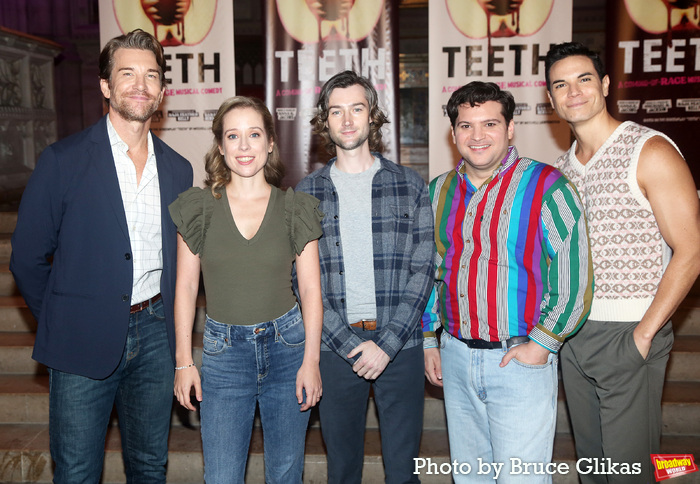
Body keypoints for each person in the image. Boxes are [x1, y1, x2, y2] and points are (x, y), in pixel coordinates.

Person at [9, 29, 193, 482]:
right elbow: (27, 259)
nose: (140, 84)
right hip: (80, 337)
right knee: (76, 471)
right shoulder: (62, 161)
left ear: (163, 91)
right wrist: (61, 317)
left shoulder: (178, 169)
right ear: (106, 86)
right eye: (127, 73)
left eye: (151, 75)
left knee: (150, 466)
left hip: (155, 335)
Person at [545, 42, 700, 483]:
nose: (573, 92)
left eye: (584, 79)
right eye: (561, 84)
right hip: (573, 337)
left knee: (630, 474)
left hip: (629, 333)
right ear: (551, 99)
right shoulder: (561, 169)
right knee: (593, 470)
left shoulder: (649, 150)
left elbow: (691, 250)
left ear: (606, 85)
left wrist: (644, 333)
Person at [422, 81, 593, 483]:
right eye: (466, 126)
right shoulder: (438, 192)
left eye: (490, 124)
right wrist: (431, 339)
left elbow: (575, 276)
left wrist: (543, 344)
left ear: (510, 128)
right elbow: (431, 270)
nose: (477, 136)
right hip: (456, 358)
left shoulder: (548, 186)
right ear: (453, 133)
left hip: (519, 361)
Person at [169, 96, 323, 483]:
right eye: (232, 136)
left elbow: (310, 290)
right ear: (220, 146)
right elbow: (186, 286)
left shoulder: (295, 207)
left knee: (286, 474)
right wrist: (184, 361)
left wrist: (311, 361)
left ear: (270, 141)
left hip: (288, 348)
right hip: (224, 355)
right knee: (221, 475)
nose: (243, 146)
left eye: (253, 134)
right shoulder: (198, 207)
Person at [295, 70, 434, 484]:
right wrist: (349, 344)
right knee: (341, 471)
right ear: (325, 120)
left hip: (401, 345)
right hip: (337, 349)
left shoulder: (410, 185)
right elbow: (302, 281)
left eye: (357, 108)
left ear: (372, 115)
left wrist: (386, 345)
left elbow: (424, 269)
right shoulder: (305, 194)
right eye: (336, 111)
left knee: (403, 472)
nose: (348, 119)